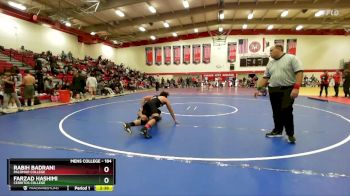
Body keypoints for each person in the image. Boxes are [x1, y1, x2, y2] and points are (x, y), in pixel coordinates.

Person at [255, 45, 303, 144]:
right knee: (276, 112)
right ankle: (277, 130)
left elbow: (299, 72)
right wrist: (258, 88)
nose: (270, 53)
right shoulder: (270, 63)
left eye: (272, 50)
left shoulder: (291, 58)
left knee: (286, 110)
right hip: (273, 89)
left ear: (279, 49)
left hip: (288, 89)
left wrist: (296, 88)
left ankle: (290, 134)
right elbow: (265, 77)